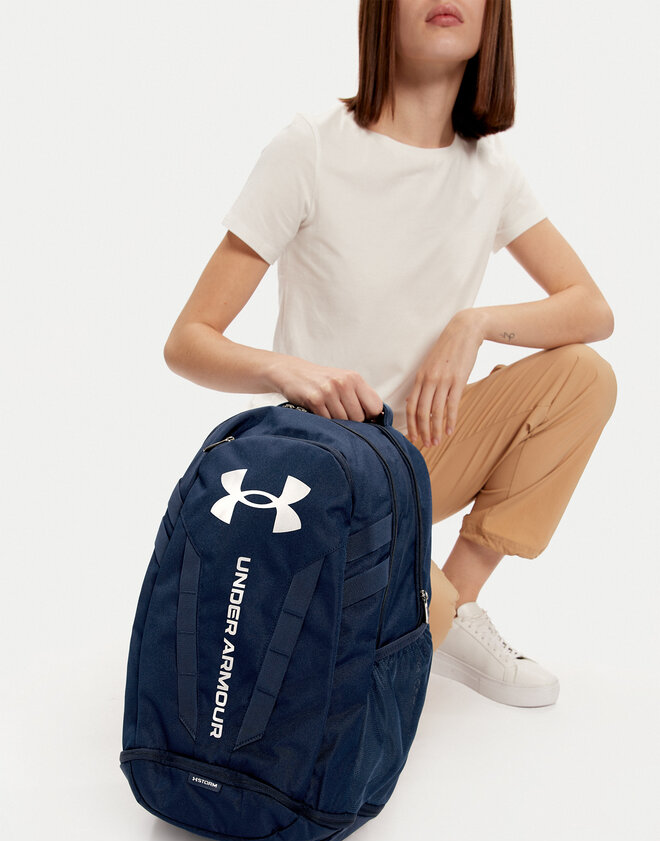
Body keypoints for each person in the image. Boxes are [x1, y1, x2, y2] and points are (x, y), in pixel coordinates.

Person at [163, 0, 617, 709]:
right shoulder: (313, 146)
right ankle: (430, 615)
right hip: (323, 469)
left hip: (423, 448)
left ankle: (451, 606)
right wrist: (288, 371)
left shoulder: (491, 169)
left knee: (582, 377)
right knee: (357, 665)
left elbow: (592, 310)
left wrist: (474, 324)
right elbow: (188, 341)